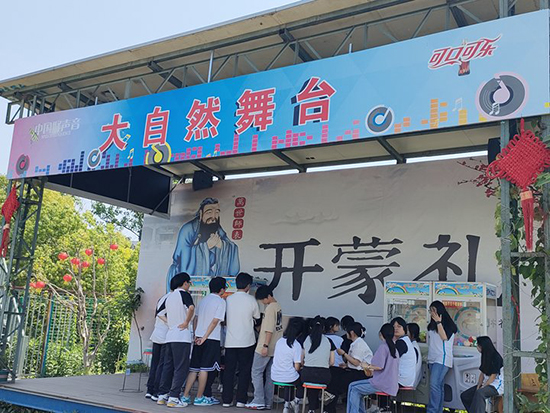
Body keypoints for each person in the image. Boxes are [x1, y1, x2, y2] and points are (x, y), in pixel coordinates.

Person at [167, 198, 240, 289]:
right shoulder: (188, 229)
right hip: (181, 281)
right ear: (201, 213)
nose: (213, 217)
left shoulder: (216, 228)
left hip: (206, 278)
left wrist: (222, 245)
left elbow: (232, 247)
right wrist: (206, 247)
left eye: (217, 212)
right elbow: (184, 265)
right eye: (209, 212)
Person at [182, 276, 227, 406]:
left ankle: (185, 396)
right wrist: (205, 337)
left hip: (198, 337)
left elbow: (195, 318)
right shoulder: (221, 302)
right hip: (211, 338)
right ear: (222, 289)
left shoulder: (203, 300)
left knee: (194, 368)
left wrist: (197, 335)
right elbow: (215, 321)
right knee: (205, 369)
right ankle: (199, 397)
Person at [156, 272, 195, 408]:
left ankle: (162, 395)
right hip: (182, 336)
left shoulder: (169, 296)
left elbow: (159, 313)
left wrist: (170, 322)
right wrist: (186, 322)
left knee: (168, 366)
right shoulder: (184, 294)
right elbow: (191, 308)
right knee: (181, 368)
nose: (189, 285)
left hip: (170, 336)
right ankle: (173, 397)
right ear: (184, 283)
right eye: (189, 283)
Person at [222, 272, 261, 408]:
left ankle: (226, 400)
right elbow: (257, 317)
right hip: (247, 341)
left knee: (229, 371)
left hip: (230, 341)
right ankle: (241, 400)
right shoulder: (251, 300)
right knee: (245, 371)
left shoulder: (229, 299)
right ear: (248, 286)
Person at [346, 323, 400, 413]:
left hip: (381, 383)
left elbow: (379, 366)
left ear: (381, 334)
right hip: (390, 384)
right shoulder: (394, 348)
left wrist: (367, 366)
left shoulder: (383, 347)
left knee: (354, 388)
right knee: (354, 387)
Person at [246, 286, 284, 410]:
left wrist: (265, 346)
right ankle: (268, 401)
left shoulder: (270, 308)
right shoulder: (278, 306)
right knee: (270, 375)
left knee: (256, 372)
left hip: (265, 345)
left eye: (263, 300)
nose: (262, 302)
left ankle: (258, 400)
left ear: (268, 296)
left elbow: (269, 329)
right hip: (276, 346)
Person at [325, 322, 373, 413]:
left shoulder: (359, 345)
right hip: (355, 370)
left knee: (337, 380)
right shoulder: (356, 343)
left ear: (352, 333)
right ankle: (330, 399)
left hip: (362, 373)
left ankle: (331, 397)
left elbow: (356, 362)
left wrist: (344, 354)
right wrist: (347, 365)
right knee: (334, 371)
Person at [427, 301, 457, 413]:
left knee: (434, 385)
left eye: (434, 310)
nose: (432, 313)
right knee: (438, 386)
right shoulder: (431, 326)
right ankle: (438, 410)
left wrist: (439, 322)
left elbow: (444, 337)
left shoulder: (449, 326)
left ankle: (432, 410)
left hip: (442, 359)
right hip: (432, 358)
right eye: (431, 311)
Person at [460, 336, 504, 413]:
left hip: (496, 385)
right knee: (465, 396)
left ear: (482, 346)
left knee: (480, 393)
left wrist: (483, 387)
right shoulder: (484, 355)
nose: (477, 347)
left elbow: (493, 377)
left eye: (478, 345)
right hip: (487, 383)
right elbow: (482, 373)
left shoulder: (496, 357)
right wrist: (478, 386)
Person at [302, 316, 335, 413]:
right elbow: (332, 362)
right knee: (329, 379)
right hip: (323, 375)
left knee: (311, 384)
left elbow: (302, 360)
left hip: (307, 374)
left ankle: (311, 408)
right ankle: (325, 407)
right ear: (324, 328)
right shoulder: (329, 341)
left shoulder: (306, 339)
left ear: (310, 327)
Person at [271, 318, 304, 413]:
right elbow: (297, 367)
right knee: (301, 379)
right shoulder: (296, 345)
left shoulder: (279, 341)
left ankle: (287, 404)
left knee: (289, 378)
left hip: (275, 375)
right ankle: (296, 401)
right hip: (289, 376)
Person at [146, 286, 171, 400]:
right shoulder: (172, 298)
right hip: (165, 335)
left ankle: (150, 389)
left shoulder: (163, 298)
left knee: (155, 363)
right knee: (162, 364)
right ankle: (156, 391)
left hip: (157, 333)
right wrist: (170, 323)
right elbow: (161, 314)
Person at [391, 317, 416, 388]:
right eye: (393, 327)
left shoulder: (401, 342)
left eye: (399, 326)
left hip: (401, 381)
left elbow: (391, 359)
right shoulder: (406, 340)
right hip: (406, 380)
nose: (396, 329)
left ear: (404, 329)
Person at [407, 323, 423, 389]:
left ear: (412, 334)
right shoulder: (413, 345)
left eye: (406, 331)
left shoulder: (412, 348)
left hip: (410, 381)